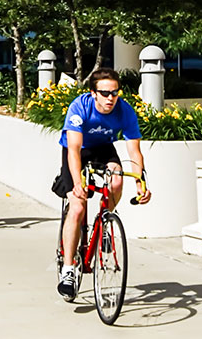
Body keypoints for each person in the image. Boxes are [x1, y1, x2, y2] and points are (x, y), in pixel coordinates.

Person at [53, 67, 151, 300]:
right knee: (77, 206)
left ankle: (105, 220)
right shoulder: (80, 107)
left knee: (116, 179)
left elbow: (134, 152)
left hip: (103, 148)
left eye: (114, 93)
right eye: (105, 93)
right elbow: (74, 150)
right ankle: (68, 270)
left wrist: (141, 183)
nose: (110, 98)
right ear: (93, 93)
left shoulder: (124, 111)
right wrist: (78, 183)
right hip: (76, 151)